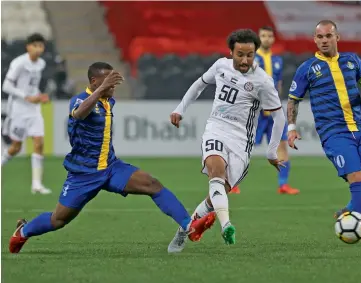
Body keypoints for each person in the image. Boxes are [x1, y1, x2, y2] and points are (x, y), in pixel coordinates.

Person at [9, 62, 214, 254]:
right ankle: (23, 231)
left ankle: (189, 226)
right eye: (108, 81)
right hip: (84, 174)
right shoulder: (80, 99)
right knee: (58, 220)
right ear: (94, 82)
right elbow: (79, 114)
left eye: (113, 81)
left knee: (152, 184)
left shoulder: (108, 101)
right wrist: (101, 90)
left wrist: (105, 90)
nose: (112, 86)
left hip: (110, 168)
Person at [168, 29, 286, 253]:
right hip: (216, 129)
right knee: (216, 173)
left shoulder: (262, 81)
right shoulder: (220, 66)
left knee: (215, 196)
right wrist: (180, 109)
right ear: (230, 51)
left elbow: (279, 116)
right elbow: (199, 84)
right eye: (240, 54)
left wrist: (271, 152)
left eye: (249, 55)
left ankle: (185, 230)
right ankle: (226, 225)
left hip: (241, 141)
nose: (244, 60)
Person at [287, 20, 361, 245]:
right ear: (315, 40)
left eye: (328, 36)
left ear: (337, 37)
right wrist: (292, 129)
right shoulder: (306, 69)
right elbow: (293, 101)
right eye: (320, 37)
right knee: (356, 177)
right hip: (334, 133)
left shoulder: (352, 60)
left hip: (360, 128)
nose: (324, 40)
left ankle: (350, 209)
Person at [2, 33, 51, 194]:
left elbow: (33, 86)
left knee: (39, 142)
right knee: (16, 147)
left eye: (41, 46)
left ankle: (36, 184)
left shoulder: (41, 64)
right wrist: (26, 97)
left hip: (33, 109)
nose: (38, 49)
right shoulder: (19, 63)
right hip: (19, 110)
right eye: (35, 45)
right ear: (28, 46)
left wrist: (39, 96)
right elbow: (6, 87)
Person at [252, 26, 299, 195]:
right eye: (263, 35)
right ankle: (232, 184)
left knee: (282, 146)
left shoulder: (277, 60)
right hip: (256, 113)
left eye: (269, 36)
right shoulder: (251, 59)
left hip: (273, 113)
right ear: (258, 38)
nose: (266, 39)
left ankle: (283, 185)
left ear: (273, 39)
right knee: (240, 147)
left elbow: (278, 85)